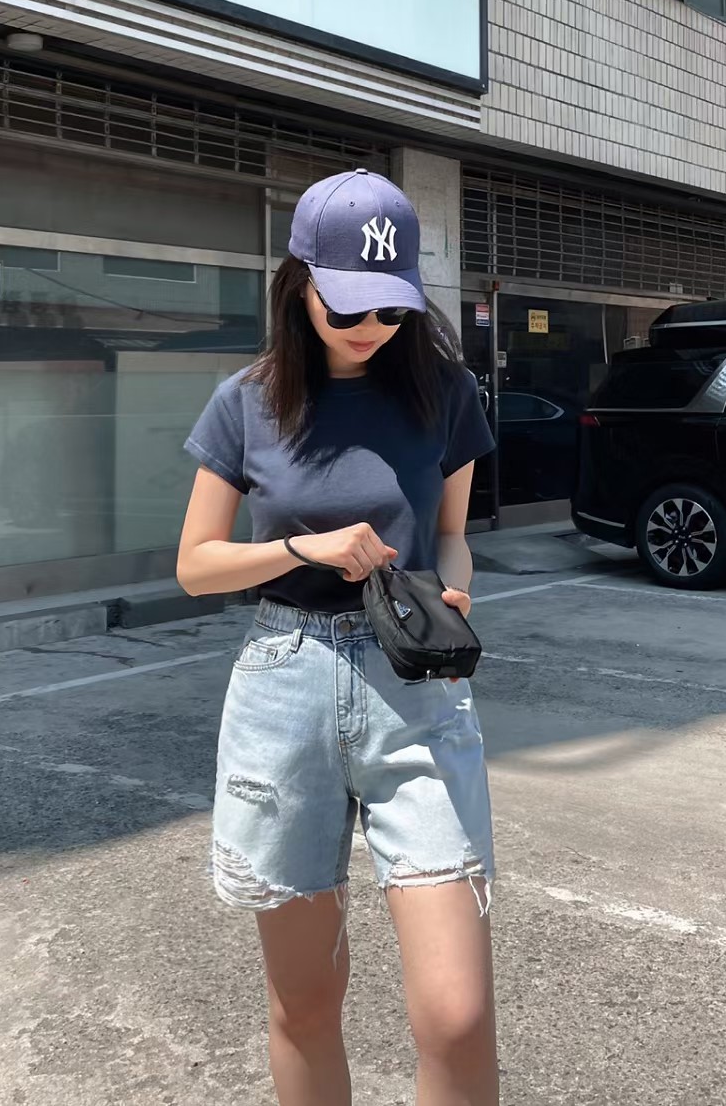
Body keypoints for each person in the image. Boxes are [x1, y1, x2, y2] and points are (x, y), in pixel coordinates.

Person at [177, 168, 498, 1106]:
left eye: (392, 309)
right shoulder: (247, 401)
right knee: (306, 1002)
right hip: (285, 684)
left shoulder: (444, 392)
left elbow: (451, 533)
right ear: (300, 285)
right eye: (349, 305)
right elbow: (195, 564)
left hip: (415, 686)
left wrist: (457, 587)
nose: (372, 327)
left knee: (457, 1015)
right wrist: (299, 547)